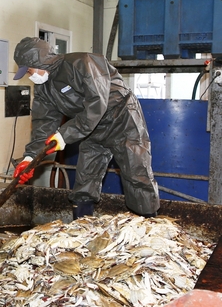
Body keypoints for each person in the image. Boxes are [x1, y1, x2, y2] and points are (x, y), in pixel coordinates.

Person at [12, 37, 160, 220]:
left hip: (122, 119)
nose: (29, 75)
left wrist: (65, 135)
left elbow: (97, 104)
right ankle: (82, 226)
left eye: (29, 70)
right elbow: (43, 126)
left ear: (40, 60)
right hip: (90, 127)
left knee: (136, 172)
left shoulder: (82, 63)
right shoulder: (44, 89)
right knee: (85, 177)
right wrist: (29, 159)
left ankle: (148, 224)